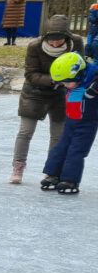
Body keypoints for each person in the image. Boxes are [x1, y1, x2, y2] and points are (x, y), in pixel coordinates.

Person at [8, 14, 83, 184]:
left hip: (62, 95)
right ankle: (18, 167)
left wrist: (74, 81)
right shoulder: (34, 46)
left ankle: (52, 171)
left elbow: (80, 66)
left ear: (67, 37)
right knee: (25, 132)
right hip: (35, 92)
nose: (55, 44)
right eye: (51, 41)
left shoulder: (76, 42)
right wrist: (55, 80)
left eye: (59, 41)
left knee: (58, 135)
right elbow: (30, 74)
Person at [41, 51, 98, 194]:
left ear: (79, 74)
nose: (65, 85)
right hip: (70, 122)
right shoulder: (74, 81)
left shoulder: (93, 82)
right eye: (63, 83)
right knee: (60, 148)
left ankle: (70, 180)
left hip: (87, 124)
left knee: (76, 151)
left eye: (67, 82)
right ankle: (53, 175)